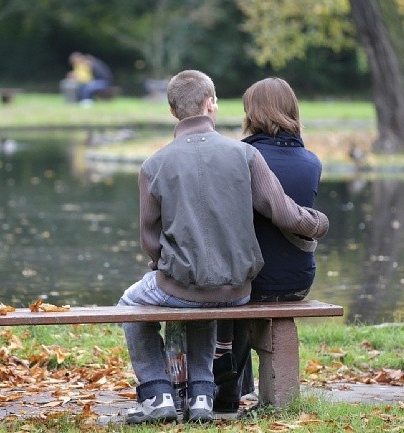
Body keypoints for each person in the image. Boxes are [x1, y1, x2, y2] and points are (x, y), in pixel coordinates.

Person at [117, 70, 329, 424]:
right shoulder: (243, 155)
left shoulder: (153, 164)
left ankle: (157, 395)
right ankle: (201, 396)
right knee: (205, 302)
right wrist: (318, 223)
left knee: (131, 306)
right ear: (211, 103)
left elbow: (148, 238)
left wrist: (164, 265)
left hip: (182, 286)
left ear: (173, 111)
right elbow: (281, 210)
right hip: (237, 290)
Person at [212, 77, 324, 416]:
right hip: (298, 280)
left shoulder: (242, 157)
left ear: (252, 112)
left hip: (253, 281)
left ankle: (225, 392)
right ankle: (234, 390)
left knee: (232, 282)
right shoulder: (312, 161)